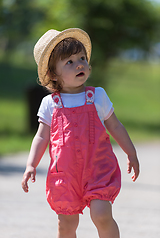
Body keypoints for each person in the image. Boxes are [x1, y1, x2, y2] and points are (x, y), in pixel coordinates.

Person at [22, 28, 139, 238]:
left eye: (82, 58)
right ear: (52, 74)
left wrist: (131, 153)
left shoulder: (98, 96)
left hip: (98, 169)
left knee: (101, 214)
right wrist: (31, 165)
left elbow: (116, 126)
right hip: (65, 175)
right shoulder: (49, 104)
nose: (79, 64)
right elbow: (41, 136)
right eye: (69, 61)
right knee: (66, 224)